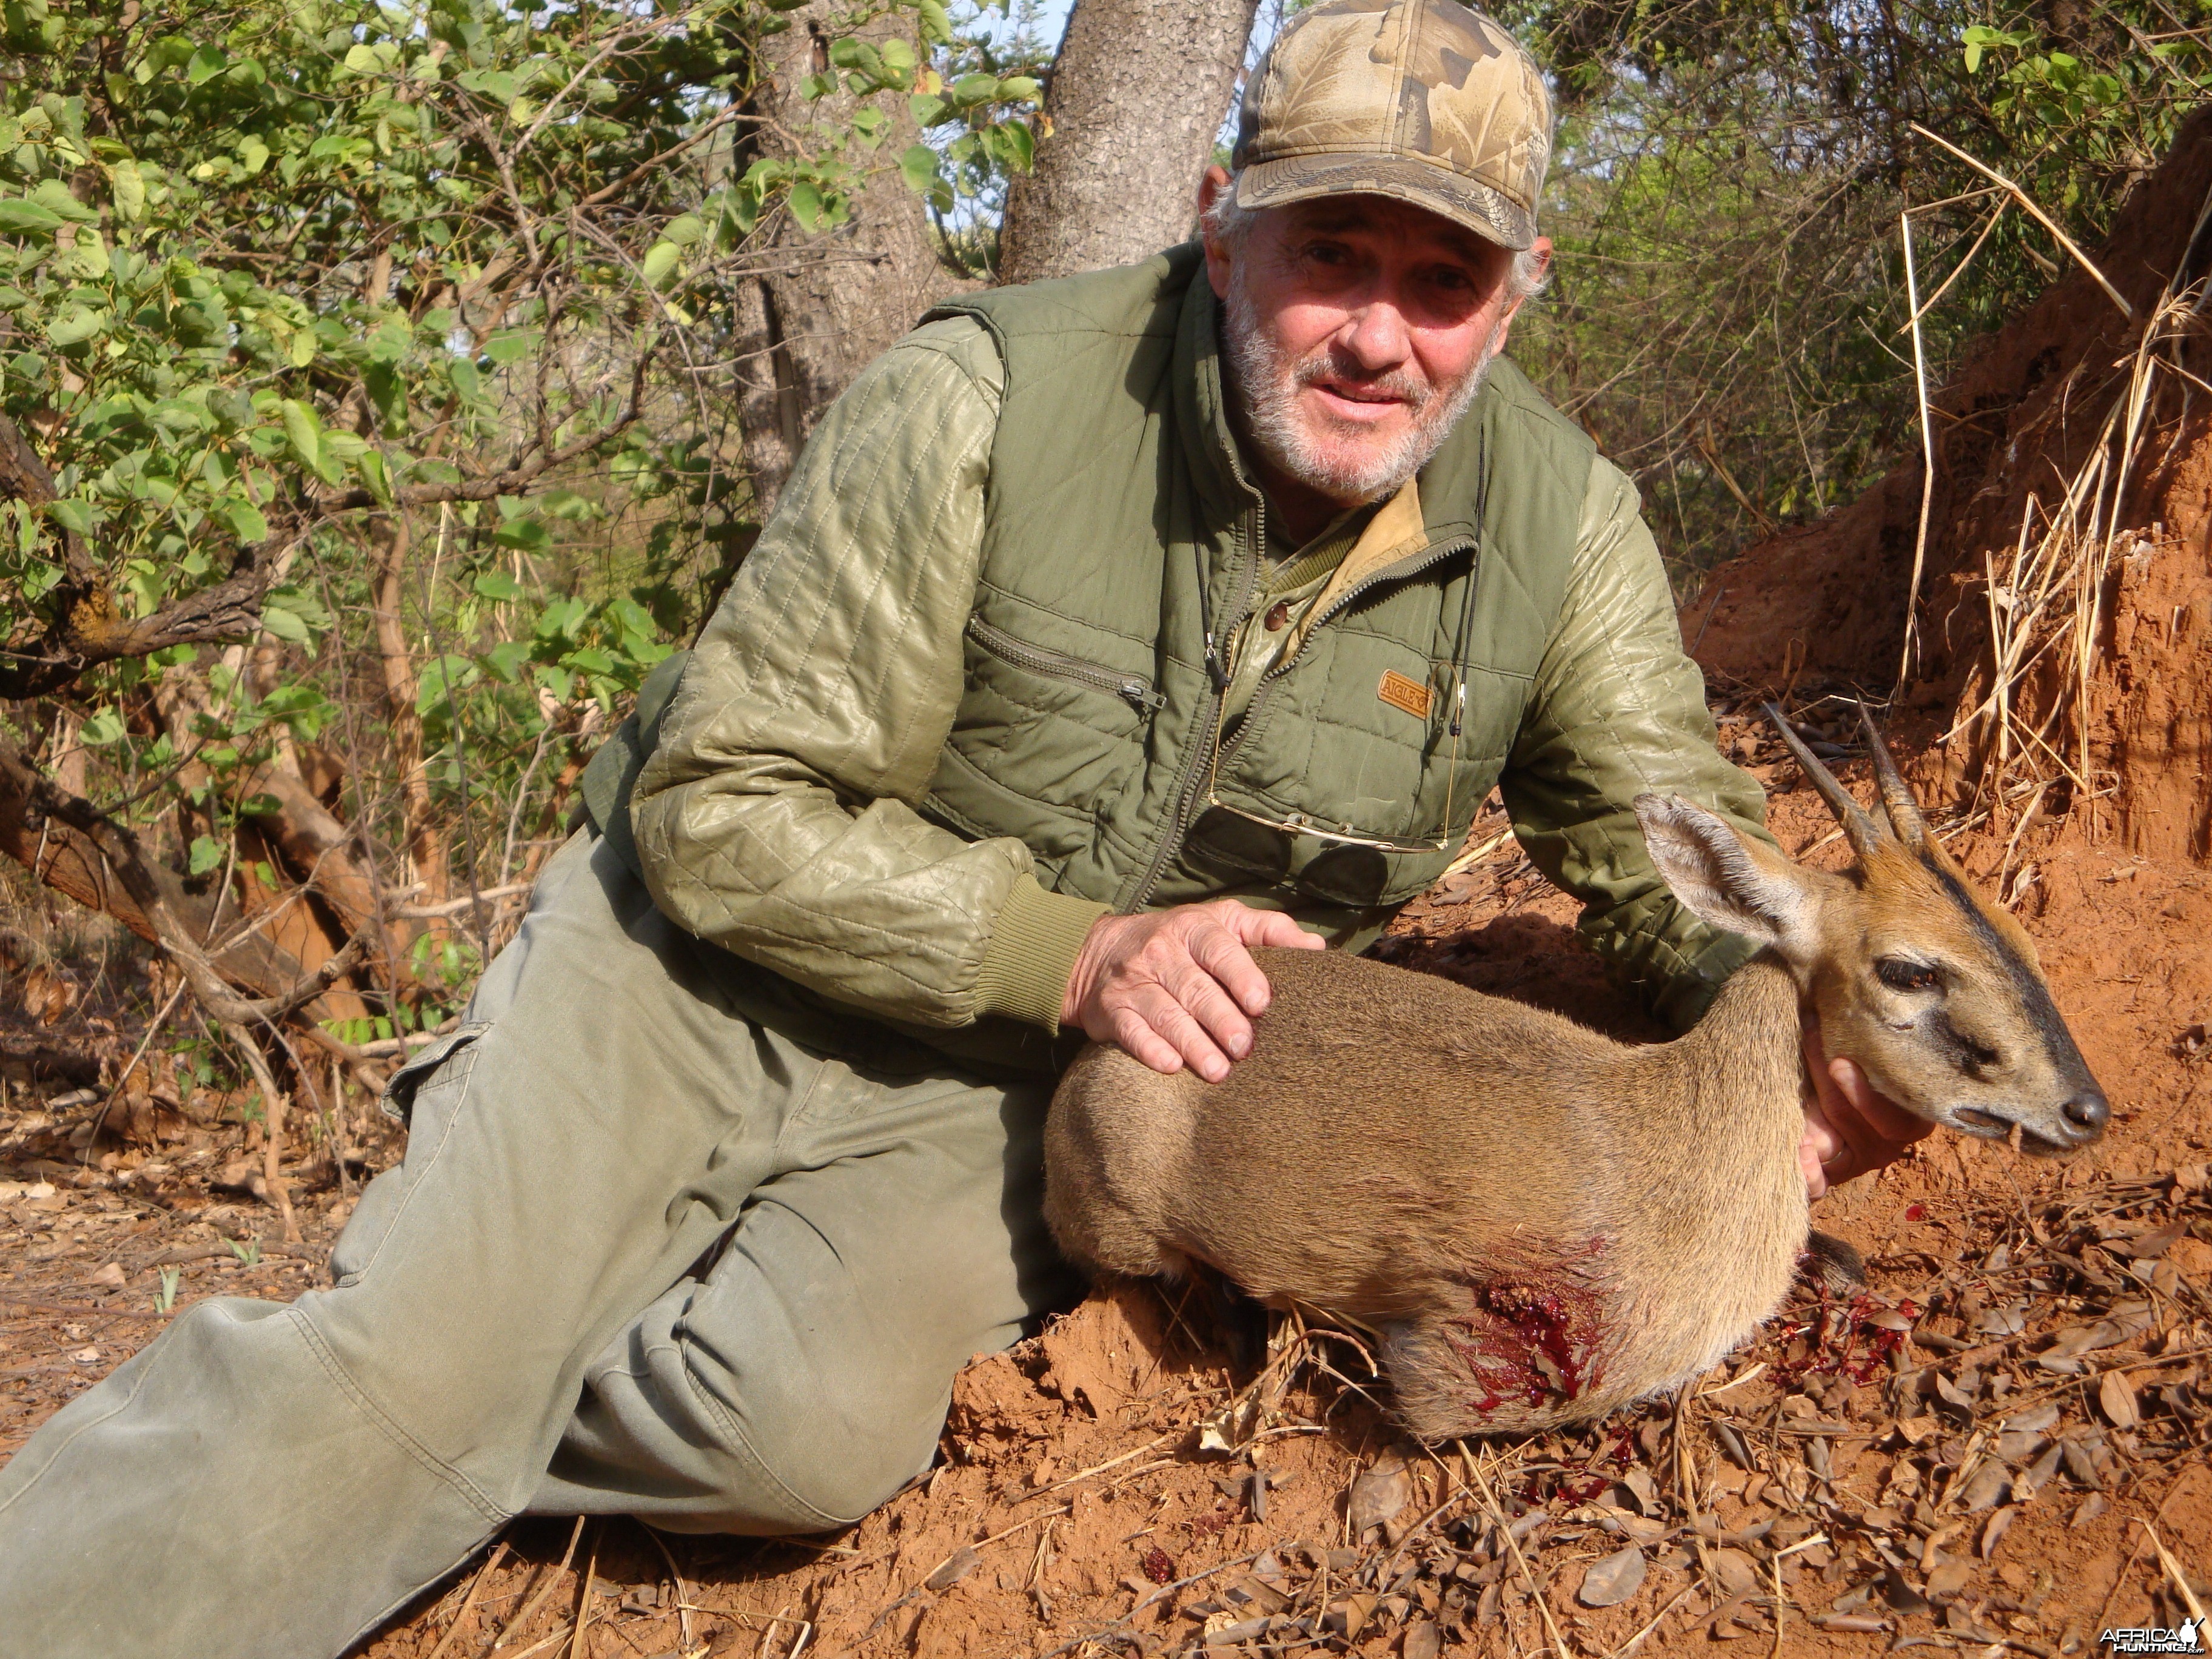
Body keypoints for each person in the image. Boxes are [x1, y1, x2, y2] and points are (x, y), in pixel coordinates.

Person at [0, 2, 1928, 1652]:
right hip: (703, 965)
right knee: (403, 1400)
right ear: (1218, 226)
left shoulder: (1560, 532)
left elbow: (1670, 842)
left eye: (1444, 285)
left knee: (801, 1442)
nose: (1379, 336)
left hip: (1007, 1082)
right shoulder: (986, 397)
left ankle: (508, 1374)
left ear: (1516, 302)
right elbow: (724, 811)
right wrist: (1082, 951)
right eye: (1332, 253)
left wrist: (1792, 1058)